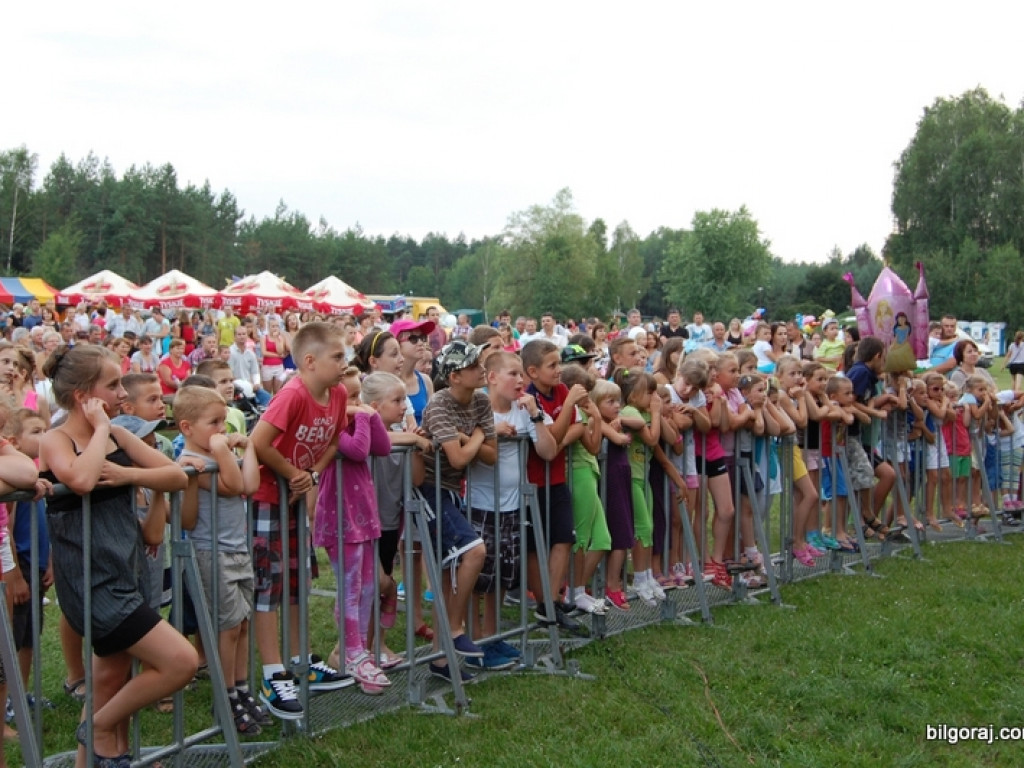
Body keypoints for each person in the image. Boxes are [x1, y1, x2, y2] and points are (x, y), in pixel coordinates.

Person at [39, 344, 196, 768]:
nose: (121, 394)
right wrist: (101, 429)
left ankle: (101, 754)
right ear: (82, 396)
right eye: (112, 385)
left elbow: (176, 475)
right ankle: (97, 729)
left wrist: (128, 473)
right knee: (182, 661)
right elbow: (83, 479)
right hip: (92, 585)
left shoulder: (119, 434)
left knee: (109, 679)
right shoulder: (55, 439)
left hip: (123, 573)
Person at [249, 322, 352, 720]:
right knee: (267, 583)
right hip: (265, 499)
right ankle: (273, 673)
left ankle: (297, 660)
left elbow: (332, 442)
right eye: (338, 357)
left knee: (295, 580)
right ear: (309, 362)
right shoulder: (292, 393)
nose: (345, 364)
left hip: (292, 498)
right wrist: (292, 472)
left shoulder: (339, 393)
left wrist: (308, 475)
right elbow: (259, 442)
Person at [174, 384, 268, 735]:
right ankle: (225, 695)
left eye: (223, 421)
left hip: (236, 549)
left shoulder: (217, 456)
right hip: (210, 552)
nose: (221, 430)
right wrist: (220, 450)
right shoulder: (191, 463)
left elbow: (251, 482)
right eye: (213, 422)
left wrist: (252, 447)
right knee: (227, 627)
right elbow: (235, 484)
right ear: (186, 428)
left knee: (242, 624)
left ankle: (242, 688)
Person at [466, 352, 558, 669]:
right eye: (512, 374)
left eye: (522, 375)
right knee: (478, 578)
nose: (520, 381)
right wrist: (491, 431)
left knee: (503, 577)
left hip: (513, 507)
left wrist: (535, 416)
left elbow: (548, 451)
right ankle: (474, 642)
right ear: (491, 377)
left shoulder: (524, 409)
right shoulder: (476, 408)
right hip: (480, 505)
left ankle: (493, 637)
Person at [313, 372, 394, 695]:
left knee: (369, 583)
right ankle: (351, 650)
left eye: (359, 396)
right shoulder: (332, 430)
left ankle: (358, 648)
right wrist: (362, 417)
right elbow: (359, 450)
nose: (357, 404)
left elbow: (383, 447)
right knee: (350, 586)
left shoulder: (357, 417)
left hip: (362, 514)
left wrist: (369, 417)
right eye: (350, 398)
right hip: (340, 516)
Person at [416, 339, 491, 682]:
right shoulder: (440, 403)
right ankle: (455, 629)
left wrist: (470, 438)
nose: (482, 369)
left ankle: (441, 661)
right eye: (475, 366)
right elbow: (460, 457)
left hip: (452, 490)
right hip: (429, 490)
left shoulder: (481, 401)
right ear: (456, 376)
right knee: (474, 552)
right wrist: (473, 438)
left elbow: (490, 454)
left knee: (449, 575)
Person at [521, 340, 589, 634]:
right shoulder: (529, 398)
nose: (559, 370)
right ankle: (545, 605)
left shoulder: (561, 390)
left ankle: (551, 601)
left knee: (564, 537)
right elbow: (551, 437)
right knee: (537, 546)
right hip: (533, 483)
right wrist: (568, 411)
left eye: (559, 363)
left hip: (557, 479)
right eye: (553, 365)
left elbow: (572, 428)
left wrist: (556, 438)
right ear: (533, 371)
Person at [228, 327, 271, 407]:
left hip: (250, 386)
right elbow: (230, 375)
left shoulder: (250, 354)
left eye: (244, 334)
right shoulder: (230, 353)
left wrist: (256, 383)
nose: (242, 336)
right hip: (236, 388)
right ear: (235, 336)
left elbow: (255, 372)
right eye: (239, 334)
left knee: (268, 399)